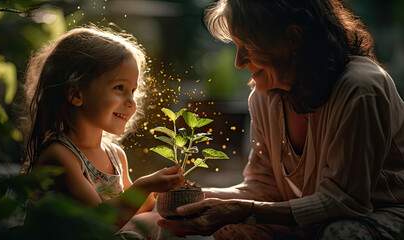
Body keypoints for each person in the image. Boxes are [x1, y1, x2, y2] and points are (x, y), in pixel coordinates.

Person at [158, 0, 404, 239]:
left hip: (379, 214)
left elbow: (345, 202)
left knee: (340, 234)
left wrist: (245, 211)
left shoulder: (359, 88)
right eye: (236, 45)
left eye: (249, 46)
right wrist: (190, 198)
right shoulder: (265, 97)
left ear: (293, 37)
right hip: (316, 220)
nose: (239, 62)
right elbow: (264, 188)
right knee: (225, 226)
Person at [21, 26, 184, 238]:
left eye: (133, 91)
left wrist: (158, 190)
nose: (131, 102)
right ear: (76, 93)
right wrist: (144, 186)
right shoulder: (60, 155)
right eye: (119, 88)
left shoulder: (115, 155)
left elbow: (135, 210)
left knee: (159, 222)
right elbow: (98, 223)